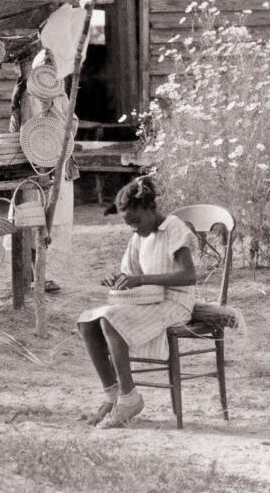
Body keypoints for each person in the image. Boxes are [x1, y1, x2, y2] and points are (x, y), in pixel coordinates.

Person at [76, 176, 197, 428]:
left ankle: (129, 398)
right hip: (149, 302)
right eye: (127, 223)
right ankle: (112, 396)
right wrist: (117, 278)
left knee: (111, 320)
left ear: (150, 208)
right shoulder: (139, 235)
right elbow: (130, 274)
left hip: (175, 303)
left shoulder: (174, 228)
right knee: (88, 321)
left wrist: (141, 280)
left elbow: (188, 276)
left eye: (136, 220)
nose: (133, 228)